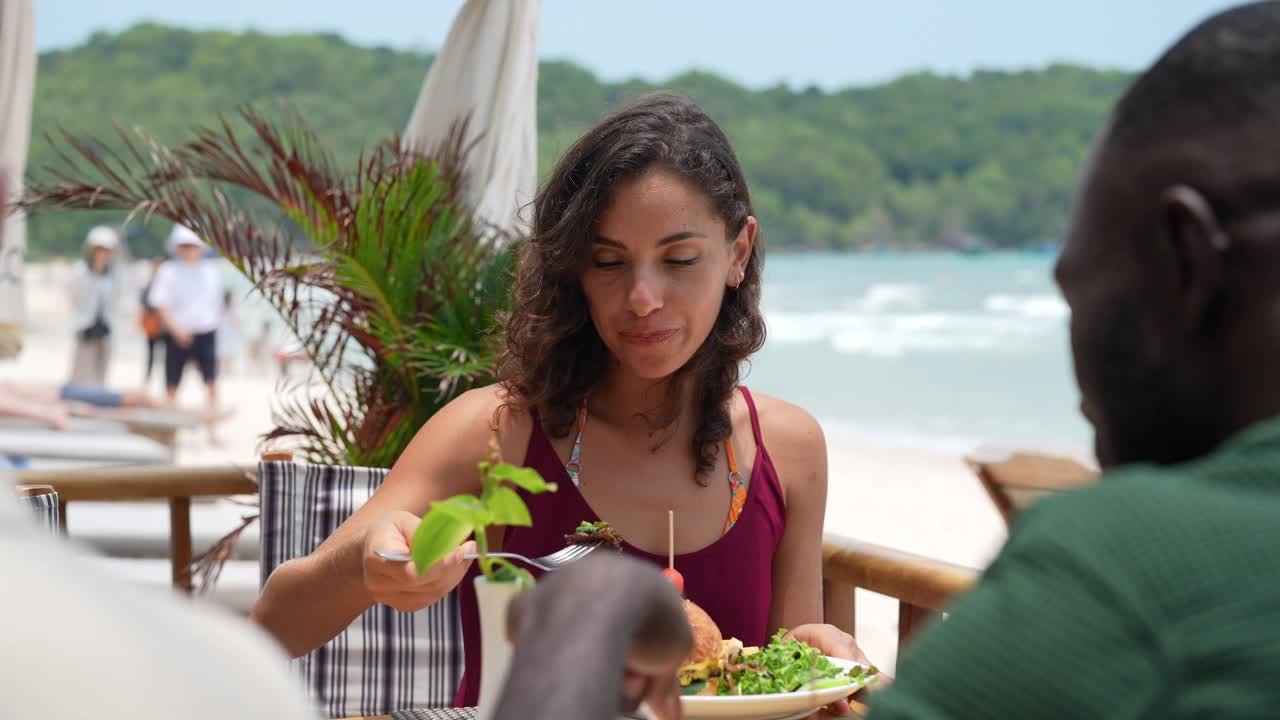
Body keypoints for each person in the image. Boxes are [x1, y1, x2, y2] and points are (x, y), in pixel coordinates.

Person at [251, 92, 864, 708]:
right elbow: (277, 621)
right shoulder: (495, 430)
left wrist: (819, 653)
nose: (643, 296)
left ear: (738, 252)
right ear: (574, 270)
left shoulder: (788, 449)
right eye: (607, 261)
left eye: (679, 258)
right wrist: (366, 560)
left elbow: (787, 679)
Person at [863, 3, 1280, 717]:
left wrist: (608, 619)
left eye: (1079, 290)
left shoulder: (1125, 572)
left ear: (1185, 260)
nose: (1083, 399)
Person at [148, 224, 224, 445]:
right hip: (177, 333)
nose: (189, 250)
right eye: (184, 246)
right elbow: (160, 303)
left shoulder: (210, 271)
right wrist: (175, 328)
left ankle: (212, 430)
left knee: (211, 383)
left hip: (206, 332)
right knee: (172, 384)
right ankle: (169, 430)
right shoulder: (168, 270)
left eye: (192, 245)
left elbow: (215, 304)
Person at [66, 225, 124, 386]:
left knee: (102, 373)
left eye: (106, 250)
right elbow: (73, 298)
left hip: (106, 329)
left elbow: (117, 300)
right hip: (84, 328)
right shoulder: (80, 272)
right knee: (80, 373)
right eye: (99, 249)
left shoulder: (116, 275)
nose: (102, 254)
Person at [139, 256, 167, 385]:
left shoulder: (167, 284)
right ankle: (148, 379)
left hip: (165, 324)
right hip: (153, 324)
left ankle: (165, 381)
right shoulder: (148, 284)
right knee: (151, 354)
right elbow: (144, 304)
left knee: (167, 355)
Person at [216, 290, 242, 377]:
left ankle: (225, 373)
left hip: (225, 333)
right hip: (226, 334)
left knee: (224, 354)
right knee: (225, 354)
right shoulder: (227, 309)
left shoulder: (221, 308)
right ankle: (226, 373)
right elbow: (237, 322)